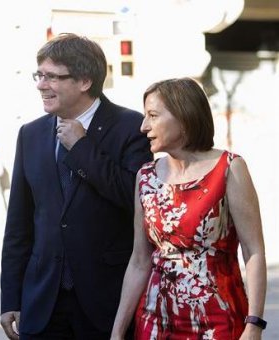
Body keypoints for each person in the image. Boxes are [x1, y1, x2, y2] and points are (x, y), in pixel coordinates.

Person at [0, 33, 152, 340]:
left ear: (84, 81)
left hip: (104, 303)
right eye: (39, 75)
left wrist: (82, 148)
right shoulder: (30, 134)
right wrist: (11, 297)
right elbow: (19, 223)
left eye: (52, 77)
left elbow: (135, 198)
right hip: (42, 304)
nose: (41, 85)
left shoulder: (131, 127)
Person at [110, 77, 267, 340]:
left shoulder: (229, 168)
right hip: (153, 322)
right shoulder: (145, 176)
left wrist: (254, 324)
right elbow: (139, 260)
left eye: (152, 115)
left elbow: (254, 251)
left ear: (183, 117)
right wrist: (117, 331)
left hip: (218, 321)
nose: (143, 126)